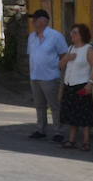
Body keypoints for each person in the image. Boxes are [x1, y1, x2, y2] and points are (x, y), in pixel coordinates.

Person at [57, 24, 93, 152]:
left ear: (82, 35)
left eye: (75, 33)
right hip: (69, 85)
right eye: (72, 32)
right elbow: (60, 65)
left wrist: (90, 83)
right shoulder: (70, 48)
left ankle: (86, 141)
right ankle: (71, 140)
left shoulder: (88, 49)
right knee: (72, 114)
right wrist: (66, 58)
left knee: (84, 115)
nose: (72, 35)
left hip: (82, 84)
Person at [26, 9, 68, 141]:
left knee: (54, 105)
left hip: (51, 76)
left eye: (35, 19)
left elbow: (64, 55)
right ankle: (41, 129)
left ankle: (58, 131)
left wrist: (61, 73)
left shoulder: (56, 36)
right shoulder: (31, 37)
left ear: (43, 21)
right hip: (35, 76)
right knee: (39, 105)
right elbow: (31, 55)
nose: (32, 22)